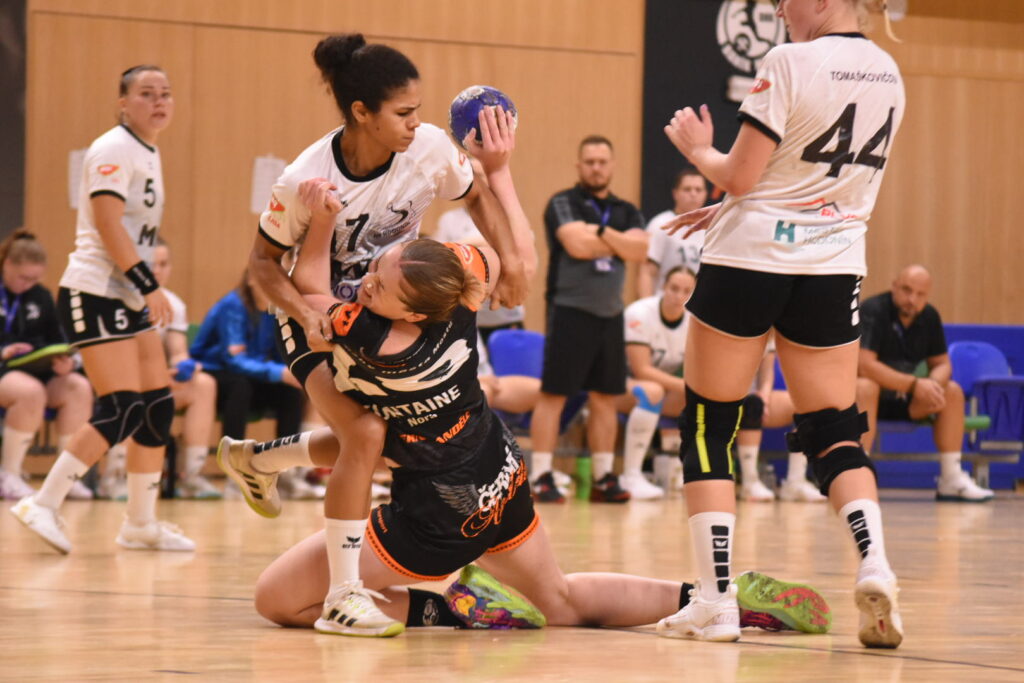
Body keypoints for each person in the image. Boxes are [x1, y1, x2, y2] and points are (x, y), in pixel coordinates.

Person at [221, 115, 834, 639]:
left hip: (436, 518)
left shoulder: (373, 337)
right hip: (499, 473)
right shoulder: (459, 295)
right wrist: (499, 172)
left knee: (278, 597)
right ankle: (714, 597)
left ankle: (447, 605)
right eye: (376, 269)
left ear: (409, 314)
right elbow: (517, 259)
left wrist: (323, 219)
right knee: (560, 601)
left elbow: (309, 287)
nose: (365, 283)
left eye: (377, 285)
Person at [656, 0, 906, 648]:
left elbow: (740, 176)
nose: (776, 7)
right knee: (834, 428)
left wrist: (698, 149)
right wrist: (731, 207)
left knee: (709, 423)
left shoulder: (790, 60)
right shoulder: (889, 71)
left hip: (750, 261)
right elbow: (813, 179)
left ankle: (716, 602)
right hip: (832, 266)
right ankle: (875, 563)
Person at [10, 65, 194, 554]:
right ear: (123, 103)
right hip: (95, 291)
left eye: (165, 93)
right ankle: (42, 503)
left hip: (125, 295)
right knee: (122, 408)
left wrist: (140, 288)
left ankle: (140, 524)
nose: (159, 101)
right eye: (146, 93)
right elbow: (109, 225)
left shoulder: (147, 150)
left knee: (156, 406)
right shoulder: (113, 148)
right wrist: (148, 283)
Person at [529, 135, 648, 503]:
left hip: (611, 314)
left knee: (606, 397)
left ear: (612, 166)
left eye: (602, 161)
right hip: (569, 311)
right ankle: (541, 475)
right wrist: (618, 241)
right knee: (554, 394)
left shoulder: (626, 209)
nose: (596, 168)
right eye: (590, 162)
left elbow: (641, 250)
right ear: (579, 166)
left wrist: (598, 231)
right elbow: (576, 246)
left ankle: (603, 477)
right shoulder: (563, 202)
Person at [857, 264, 993, 502]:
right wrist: (913, 385)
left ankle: (951, 477)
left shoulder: (929, 316)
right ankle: (859, 475)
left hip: (910, 402)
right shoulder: (873, 310)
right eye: (907, 290)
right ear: (894, 287)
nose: (912, 299)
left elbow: (943, 364)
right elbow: (864, 365)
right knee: (865, 386)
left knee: (951, 391)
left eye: (920, 294)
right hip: (870, 402)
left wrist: (932, 385)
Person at [0, 230, 93, 501]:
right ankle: (9, 475)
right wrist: (4, 351)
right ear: (7, 264)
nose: (28, 284)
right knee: (30, 392)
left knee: (78, 387)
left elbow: (59, 339)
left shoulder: (41, 296)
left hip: (37, 370)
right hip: (6, 370)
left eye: (35, 279)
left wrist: (67, 362)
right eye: (23, 277)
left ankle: (65, 478)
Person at [189, 270, 305, 443]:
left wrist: (291, 371)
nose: (273, 289)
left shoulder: (274, 311)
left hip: (250, 375)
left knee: (290, 391)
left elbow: (280, 353)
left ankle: (288, 455)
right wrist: (279, 372)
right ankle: (232, 452)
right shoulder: (233, 305)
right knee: (240, 386)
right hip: (216, 370)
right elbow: (234, 360)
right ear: (251, 278)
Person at [148, 239, 220, 499]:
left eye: (163, 264)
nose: (157, 270)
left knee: (204, 384)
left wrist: (184, 366)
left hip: (158, 381)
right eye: (151, 264)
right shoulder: (121, 299)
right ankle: (114, 476)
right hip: (127, 380)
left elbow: (178, 351)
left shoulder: (174, 304)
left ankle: (191, 476)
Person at [433, 198, 525, 346]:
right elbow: (438, 254)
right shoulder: (449, 219)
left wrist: (463, 246)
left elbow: (521, 253)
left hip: (504, 315)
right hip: (464, 312)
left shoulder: (509, 216)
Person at [636, 168, 708, 298]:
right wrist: (647, 305)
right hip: (665, 302)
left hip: (696, 304)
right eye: (687, 189)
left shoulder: (712, 228)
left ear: (705, 194)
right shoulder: (660, 224)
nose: (693, 194)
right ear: (675, 193)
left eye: (698, 190)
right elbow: (647, 272)